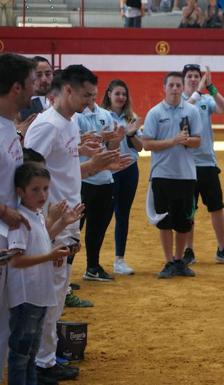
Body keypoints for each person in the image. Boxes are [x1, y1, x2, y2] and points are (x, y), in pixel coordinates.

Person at [25, 65, 130, 384]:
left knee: (57, 291)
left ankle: (45, 357)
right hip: (52, 220)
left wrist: (94, 164)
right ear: (67, 91)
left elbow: (68, 173)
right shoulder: (48, 126)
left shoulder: (68, 124)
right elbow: (29, 177)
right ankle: (41, 363)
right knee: (48, 292)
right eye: (86, 94)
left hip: (67, 216)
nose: (91, 101)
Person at [6, 162, 81, 385]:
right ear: (20, 192)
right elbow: (16, 260)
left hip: (38, 294)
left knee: (30, 353)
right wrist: (49, 257)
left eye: (46, 189)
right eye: (35, 190)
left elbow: (42, 239)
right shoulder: (20, 220)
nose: (43, 194)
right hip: (26, 296)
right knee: (21, 354)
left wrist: (63, 223)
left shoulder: (36, 214)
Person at [142, 71, 202, 279]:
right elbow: (146, 143)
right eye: (172, 86)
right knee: (165, 220)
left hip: (186, 175)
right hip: (162, 174)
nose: (175, 89)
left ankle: (179, 261)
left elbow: (197, 141)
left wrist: (186, 141)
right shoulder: (155, 113)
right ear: (164, 88)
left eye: (178, 85)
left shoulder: (192, 111)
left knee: (184, 221)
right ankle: (168, 261)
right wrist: (173, 141)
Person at [0, 52, 37, 385]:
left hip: (7, 238)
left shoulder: (9, 128)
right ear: (15, 88)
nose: (34, 88)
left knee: (4, 321)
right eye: (30, 82)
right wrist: (5, 211)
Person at [180, 64, 224, 266]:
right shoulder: (181, 102)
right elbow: (186, 111)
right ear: (184, 80)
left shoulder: (206, 99)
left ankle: (223, 248)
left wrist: (212, 87)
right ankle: (188, 249)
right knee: (189, 209)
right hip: (187, 163)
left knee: (216, 207)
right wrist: (199, 91)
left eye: (197, 76)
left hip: (207, 162)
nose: (194, 79)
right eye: (190, 76)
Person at [76, 91, 124, 282]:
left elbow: (110, 149)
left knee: (98, 227)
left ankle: (93, 267)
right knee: (73, 229)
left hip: (105, 180)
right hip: (83, 179)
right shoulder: (75, 117)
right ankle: (64, 272)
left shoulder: (105, 114)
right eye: (86, 92)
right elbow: (75, 145)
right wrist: (99, 136)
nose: (90, 96)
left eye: (93, 92)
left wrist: (116, 140)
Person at [101, 79, 143, 275]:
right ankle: (94, 261)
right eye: (117, 93)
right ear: (109, 94)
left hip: (129, 170)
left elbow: (141, 147)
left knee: (123, 214)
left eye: (124, 94)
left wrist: (131, 133)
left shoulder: (131, 118)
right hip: (109, 171)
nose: (121, 97)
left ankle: (119, 260)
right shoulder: (101, 117)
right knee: (103, 215)